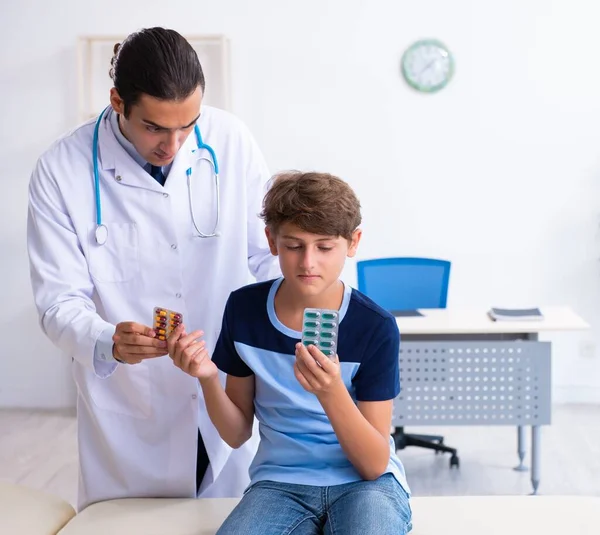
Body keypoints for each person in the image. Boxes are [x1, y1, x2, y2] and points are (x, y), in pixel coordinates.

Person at [26, 27, 279, 511]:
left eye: (187, 125)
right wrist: (107, 340)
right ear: (117, 101)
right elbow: (58, 301)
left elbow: (264, 256)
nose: (174, 144)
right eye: (155, 128)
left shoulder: (231, 141)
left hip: (225, 387)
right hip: (130, 409)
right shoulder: (61, 169)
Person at [169, 171, 412, 534]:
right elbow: (236, 435)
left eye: (325, 247)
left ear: (353, 242)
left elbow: (374, 465)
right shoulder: (244, 309)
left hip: (366, 486)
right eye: (294, 246)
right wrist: (207, 378)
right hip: (280, 484)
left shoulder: (374, 326)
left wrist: (331, 393)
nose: (308, 263)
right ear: (271, 240)